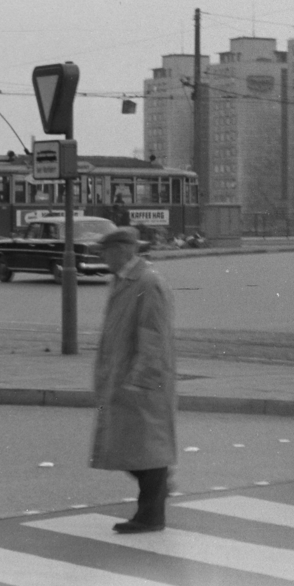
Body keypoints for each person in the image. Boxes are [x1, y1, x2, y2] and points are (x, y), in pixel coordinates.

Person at [90, 226, 178, 534]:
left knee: (145, 448)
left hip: (142, 381)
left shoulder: (147, 283)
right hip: (123, 376)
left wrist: (141, 379)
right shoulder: (124, 280)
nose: (102, 256)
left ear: (124, 251)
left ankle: (151, 515)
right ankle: (155, 499)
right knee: (133, 446)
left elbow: (153, 336)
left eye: (106, 251)